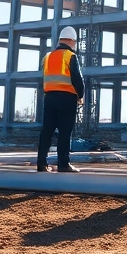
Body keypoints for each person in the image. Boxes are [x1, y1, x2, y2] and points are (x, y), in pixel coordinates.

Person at [37, 27, 85, 173]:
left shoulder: (48, 57)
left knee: (47, 131)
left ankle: (41, 164)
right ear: (71, 41)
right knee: (65, 132)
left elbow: (42, 80)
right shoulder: (70, 56)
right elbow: (77, 79)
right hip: (67, 99)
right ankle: (63, 164)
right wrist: (80, 95)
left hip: (49, 98)